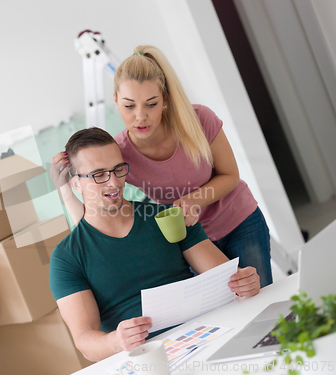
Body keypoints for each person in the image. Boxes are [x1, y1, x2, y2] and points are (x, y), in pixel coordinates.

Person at [51, 45, 273, 288]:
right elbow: (94, 217)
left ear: (165, 99)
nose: (140, 116)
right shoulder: (118, 154)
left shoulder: (198, 120)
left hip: (239, 221)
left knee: (260, 298)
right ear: (115, 101)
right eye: (129, 106)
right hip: (189, 241)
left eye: (151, 104)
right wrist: (65, 186)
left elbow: (230, 176)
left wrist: (192, 201)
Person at [49, 128, 260, 362]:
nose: (113, 182)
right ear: (75, 184)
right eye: (99, 174)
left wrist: (245, 281)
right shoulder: (66, 257)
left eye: (118, 170)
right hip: (145, 359)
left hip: (205, 339)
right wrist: (116, 341)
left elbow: (226, 279)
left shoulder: (167, 217)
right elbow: (85, 342)